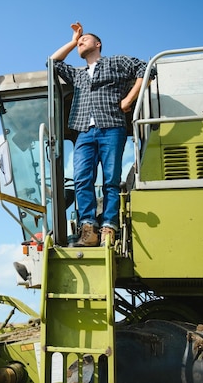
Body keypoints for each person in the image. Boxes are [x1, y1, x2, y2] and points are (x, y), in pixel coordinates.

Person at [50, 22, 155, 247]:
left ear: (98, 44)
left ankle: (109, 226)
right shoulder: (77, 75)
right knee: (82, 179)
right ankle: (88, 228)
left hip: (111, 128)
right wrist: (72, 40)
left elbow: (147, 70)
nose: (81, 42)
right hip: (84, 133)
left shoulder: (115, 62)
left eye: (85, 39)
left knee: (110, 180)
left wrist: (129, 99)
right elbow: (53, 62)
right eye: (79, 42)